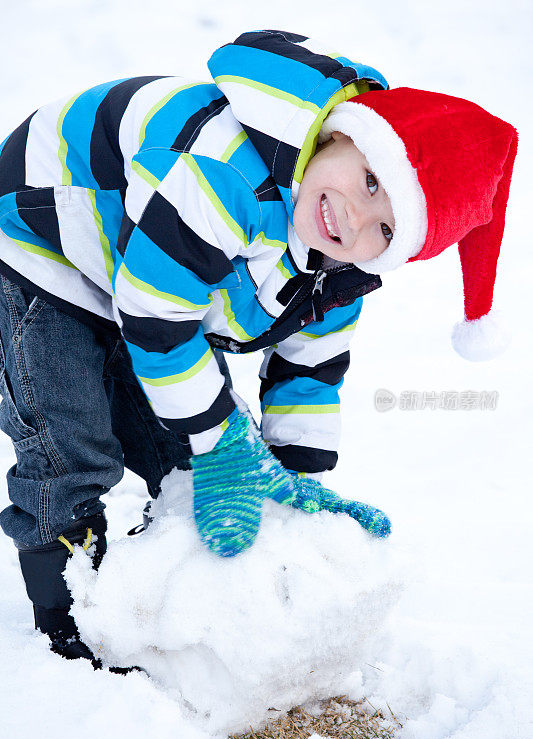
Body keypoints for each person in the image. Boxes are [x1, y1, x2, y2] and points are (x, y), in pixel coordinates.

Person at [0, 30, 517, 665]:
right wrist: (221, 442)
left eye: (387, 229)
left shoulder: (340, 266)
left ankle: (162, 590)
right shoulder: (221, 174)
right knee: (73, 445)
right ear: (344, 133)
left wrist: (293, 479)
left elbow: (312, 367)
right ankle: (69, 625)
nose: (355, 218)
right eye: (371, 182)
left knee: (187, 458)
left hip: (141, 275)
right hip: (38, 245)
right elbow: (156, 316)